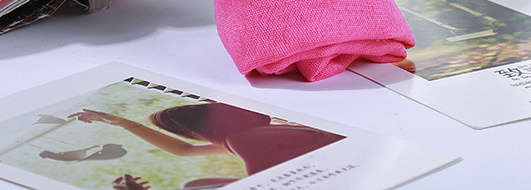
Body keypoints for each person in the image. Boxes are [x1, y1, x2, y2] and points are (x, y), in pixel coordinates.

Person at [69, 101, 343, 176]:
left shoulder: (248, 138)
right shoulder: (246, 138)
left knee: (197, 185)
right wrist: (122, 122)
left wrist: (122, 122)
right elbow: (185, 151)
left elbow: (186, 149)